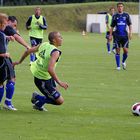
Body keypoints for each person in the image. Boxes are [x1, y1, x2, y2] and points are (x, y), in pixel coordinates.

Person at [14, 31, 68, 111]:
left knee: (55, 90)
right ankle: (37, 97)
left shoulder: (44, 44)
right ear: (54, 40)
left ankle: (38, 105)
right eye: (59, 37)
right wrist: (60, 82)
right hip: (42, 79)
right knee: (59, 101)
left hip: (41, 73)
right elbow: (50, 69)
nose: (61, 38)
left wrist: (19, 62)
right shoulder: (55, 52)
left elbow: (27, 51)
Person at [0, 13, 17, 111]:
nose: (6, 25)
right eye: (5, 23)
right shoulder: (1, 35)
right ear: (1, 24)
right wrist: (5, 55)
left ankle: (8, 103)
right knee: (11, 79)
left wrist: (7, 37)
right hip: (2, 61)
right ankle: (8, 103)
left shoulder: (3, 35)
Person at [109, 2, 132, 70]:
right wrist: (110, 35)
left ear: (123, 7)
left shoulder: (126, 15)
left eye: (121, 6)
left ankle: (123, 61)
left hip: (125, 36)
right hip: (117, 36)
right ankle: (118, 66)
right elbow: (112, 27)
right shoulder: (115, 16)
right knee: (118, 50)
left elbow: (130, 24)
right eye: (119, 6)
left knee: (126, 51)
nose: (120, 7)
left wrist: (130, 33)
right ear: (117, 7)